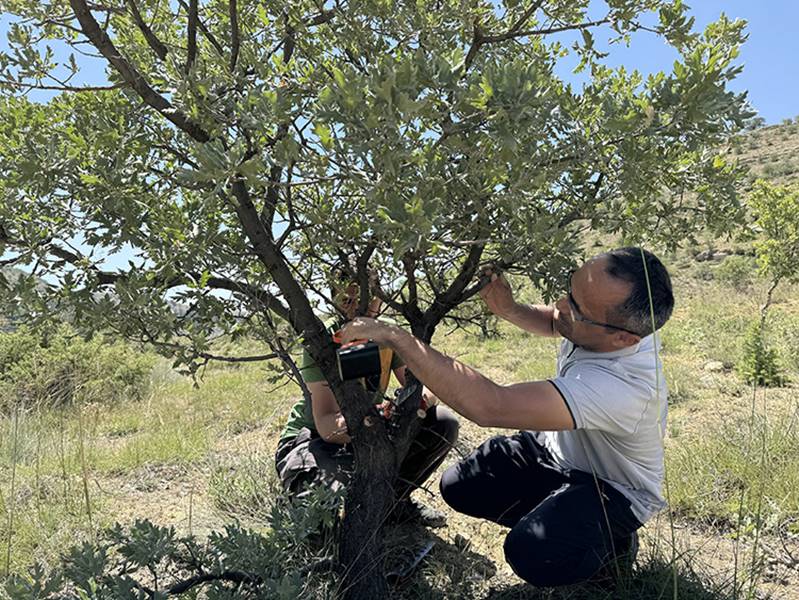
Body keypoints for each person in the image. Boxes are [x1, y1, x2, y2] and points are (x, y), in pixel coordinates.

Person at [339, 247, 675, 586]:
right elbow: (558, 321)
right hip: (556, 451)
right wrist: (509, 308)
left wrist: (399, 339)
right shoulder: (601, 326)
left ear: (624, 338)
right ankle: (561, 512)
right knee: (460, 486)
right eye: (569, 291)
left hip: (611, 488)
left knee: (532, 551)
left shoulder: (625, 387)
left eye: (575, 307)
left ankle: (608, 553)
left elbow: (491, 405)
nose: (560, 305)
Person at [274, 270, 459, 526]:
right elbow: (327, 425)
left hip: (369, 428)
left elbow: (423, 384)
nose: (357, 309)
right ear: (334, 301)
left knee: (442, 423)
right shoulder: (322, 342)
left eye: (366, 300)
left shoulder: (388, 337)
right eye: (347, 301)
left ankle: (395, 503)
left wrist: (416, 404)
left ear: (379, 299)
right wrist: (372, 420)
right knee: (322, 518)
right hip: (316, 438)